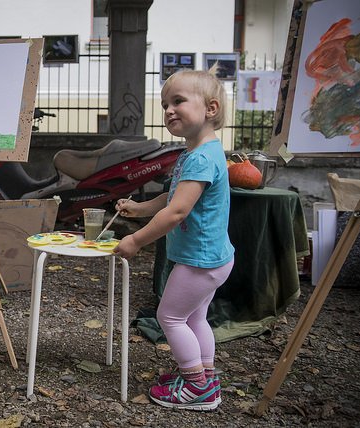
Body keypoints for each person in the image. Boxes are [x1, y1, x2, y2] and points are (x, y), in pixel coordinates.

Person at [113, 69, 235, 411]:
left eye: (178, 101)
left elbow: (176, 213)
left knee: (170, 318)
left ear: (210, 109)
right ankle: (203, 375)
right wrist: (139, 207)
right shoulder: (200, 153)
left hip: (200, 261)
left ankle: (197, 388)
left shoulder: (198, 157)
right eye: (165, 103)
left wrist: (136, 240)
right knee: (195, 318)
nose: (168, 109)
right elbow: (173, 198)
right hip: (213, 258)